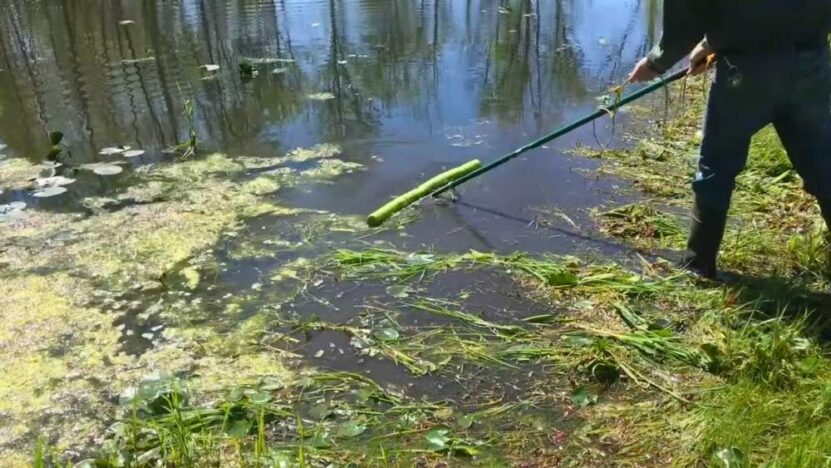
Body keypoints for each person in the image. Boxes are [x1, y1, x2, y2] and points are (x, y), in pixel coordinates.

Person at [628, 1, 831, 279]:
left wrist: (655, 63)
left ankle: (698, 265)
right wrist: (711, 43)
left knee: (717, 165)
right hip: (811, 65)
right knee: (822, 160)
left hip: (744, 73)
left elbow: (685, 22)